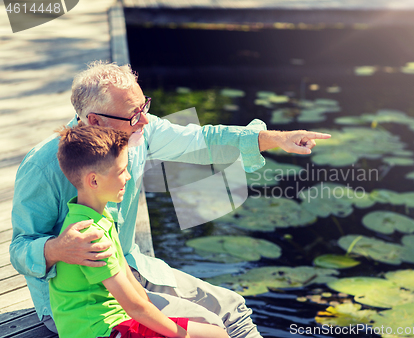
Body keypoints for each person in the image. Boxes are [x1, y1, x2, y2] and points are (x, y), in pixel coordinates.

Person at [10, 61, 331, 338]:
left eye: (144, 107)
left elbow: (203, 140)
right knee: (208, 324)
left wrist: (275, 139)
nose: (145, 121)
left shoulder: (137, 131)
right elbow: (20, 249)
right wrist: (57, 249)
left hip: (129, 268)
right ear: (94, 121)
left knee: (235, 310)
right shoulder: (42, 167)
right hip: (77, 307)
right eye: (133, 114)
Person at [50, 124, 228, 338]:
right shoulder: (90, 236)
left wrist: (165, 320)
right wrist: (182, 336)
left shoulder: (99, 215)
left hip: (117, 321)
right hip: (100, 331)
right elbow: (134, 307)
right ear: (94, 180)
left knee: (215, 333)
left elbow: (131, 282)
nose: (128, 177)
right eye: (121, 171)